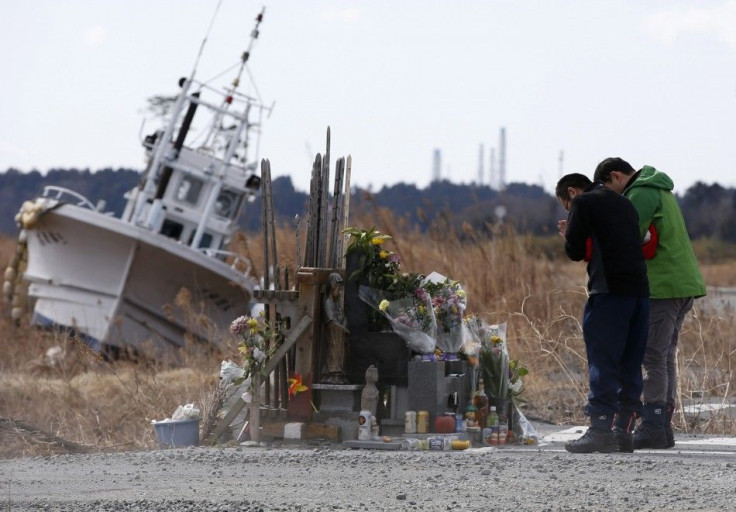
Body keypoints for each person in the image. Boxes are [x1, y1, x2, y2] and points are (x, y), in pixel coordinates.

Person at [594, 158, 706, 449]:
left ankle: (654, 424)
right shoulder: (659, 189)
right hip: (682, 283)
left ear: (616, 176)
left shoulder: (640, 193)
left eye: (609, 190)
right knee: (665, 354)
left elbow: (623, 233)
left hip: (664, 285)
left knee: (652, 356)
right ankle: (661, 426)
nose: (613, 199)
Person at [556, 173, 650, 453]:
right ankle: (623, 431)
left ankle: (600, 430)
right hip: (641, 293)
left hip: (609, 292)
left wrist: (568, 230)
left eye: (566, 206)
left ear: (572, 193)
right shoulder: (624, 203)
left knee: (603, 359)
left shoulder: (583, 203)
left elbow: (574, 249)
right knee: (630, 362)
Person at [322, 272, 350, 384]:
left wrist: (345, 322)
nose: (339, 291)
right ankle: (333, 373)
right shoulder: (328, 303)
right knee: (333, 352)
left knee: (342, 353)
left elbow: (342, 316)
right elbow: (331, 320)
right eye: (338, 288)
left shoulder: (337, 303)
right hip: (333, 335)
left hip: (340, 336)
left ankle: (340, 373)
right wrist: (343, 328)